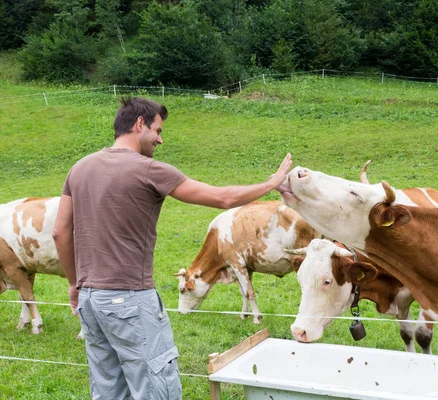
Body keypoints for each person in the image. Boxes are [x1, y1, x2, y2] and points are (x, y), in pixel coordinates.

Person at [52, 97, 293, 400]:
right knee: (156, 388)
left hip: (90, 300)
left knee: (108, 390)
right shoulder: (150, 170)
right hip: (130, 300)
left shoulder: (80, 168)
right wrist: (271, 182)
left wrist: (75, 284)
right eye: (157, 130)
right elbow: (224, 199)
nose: (160, 139)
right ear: (139, 124)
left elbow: (60, 231)